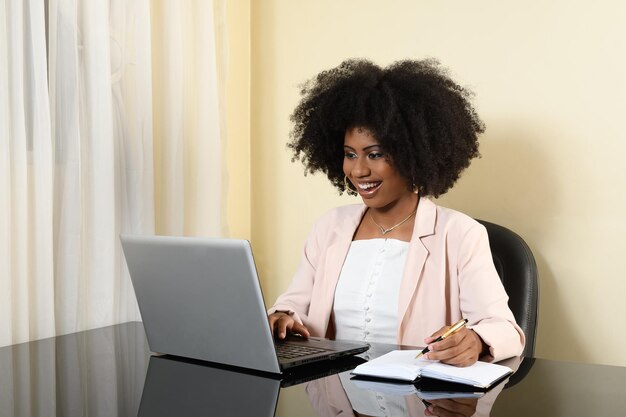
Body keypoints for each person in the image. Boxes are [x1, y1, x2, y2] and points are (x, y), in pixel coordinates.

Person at [268, 58, 524, 366]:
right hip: (335, 396)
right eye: (350, 155)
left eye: (375, 154)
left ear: (413, 154)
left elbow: (504, 329)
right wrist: (283, 317)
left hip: (422, 404)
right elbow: (293, 304)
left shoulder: (460, 234)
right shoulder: (329, 227)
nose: (359, 170)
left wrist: (477, 339)